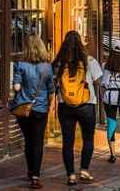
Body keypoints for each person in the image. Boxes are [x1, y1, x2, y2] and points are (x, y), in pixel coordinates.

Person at [52, 31, 102, 186]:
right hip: (86, 104)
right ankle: (84, 170)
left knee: (68, 141)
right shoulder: (89, 61)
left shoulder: (59, 63)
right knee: (88, 138)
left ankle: (71, 175)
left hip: (64, 105)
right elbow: (99, 80)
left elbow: (53, 83)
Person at [12, 34, 55, 189]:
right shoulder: (47, 67)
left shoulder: (20, 65)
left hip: (24, 108)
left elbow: (16, 87)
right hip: (40, 109)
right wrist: (49, 104)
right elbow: (51, 90)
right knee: (37, 141)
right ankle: (35, 176)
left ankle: (30, 169)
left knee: (28, 140)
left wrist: (18, 83)